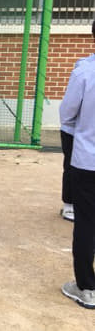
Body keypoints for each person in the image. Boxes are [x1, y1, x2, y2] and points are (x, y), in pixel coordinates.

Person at [59, 57, 95, 310]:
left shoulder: (85, 71)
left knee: (86, 221)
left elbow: (67, 113)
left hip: (88, 159)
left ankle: (87, 287)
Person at [59, 19, 95, 222]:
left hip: (81, 132)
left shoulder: (84, 71)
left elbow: (67, 109)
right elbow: (69, 111)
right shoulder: (83, 68)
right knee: (72, 168)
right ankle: (69, 203)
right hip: (76, 130)